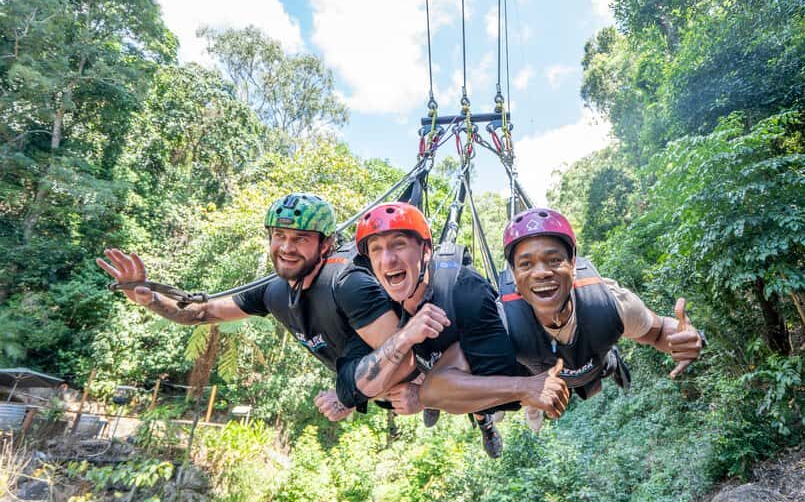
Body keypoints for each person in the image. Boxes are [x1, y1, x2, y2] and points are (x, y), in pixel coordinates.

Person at [97, 193, 412, 422]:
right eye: (279, 236)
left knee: (360, 377)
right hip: (369, 384)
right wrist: (150, 297)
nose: (287, 248)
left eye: (301, 238)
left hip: (407, 385)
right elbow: (201, 312)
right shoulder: (272, 291)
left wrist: (348, 396)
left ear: (325, 245)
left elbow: (406, 359)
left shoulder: (347, 284)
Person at [337, 202, 571, 457]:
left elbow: (495, 381)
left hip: (473, 357)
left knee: (456, 394)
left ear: (426, 252)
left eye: (399, 244)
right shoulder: (381, 300)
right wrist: (404, 337)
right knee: (427, 385)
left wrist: (426, 397)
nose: (387, 259)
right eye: (376, 250)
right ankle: (458, 403)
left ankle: (484, 422)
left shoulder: (465, 290)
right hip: (435, 366)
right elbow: (349, 387)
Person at [500, 207, 705, 432]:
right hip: (536, 374)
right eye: (526, 264)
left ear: (574, 265)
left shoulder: (610, 303)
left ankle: (608, 362)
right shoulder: (501, 322)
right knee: (522, 387)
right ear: (513, 276)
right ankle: (531, 405)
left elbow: (657, 331)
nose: (541, 273)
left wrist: (684, 337)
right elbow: (457, 383)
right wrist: (521, 389)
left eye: (554, 259)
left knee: (595, 370)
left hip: (593, 362)